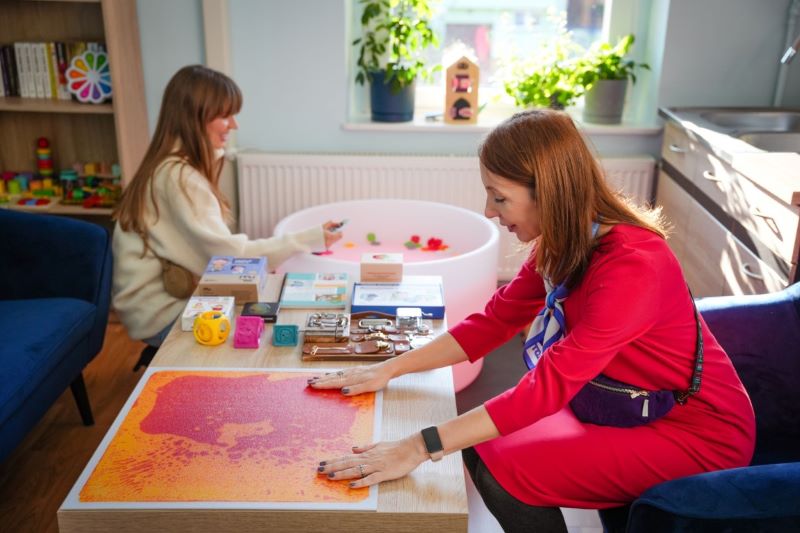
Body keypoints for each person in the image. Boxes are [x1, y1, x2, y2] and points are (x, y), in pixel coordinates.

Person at [308, 109, 755, 532]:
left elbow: (548, 387)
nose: (488, 210)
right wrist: (388, 368)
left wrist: (416, 446)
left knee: (500, 466)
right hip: (620, 406)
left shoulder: (633, 267)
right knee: (479, 448)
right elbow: (493, 321)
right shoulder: (565, 243)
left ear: (549, 192)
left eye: (499, 197)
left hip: (694, 432)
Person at [113, 65, 341, 347]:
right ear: (195, 118)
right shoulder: (179, 177)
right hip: (163, 314)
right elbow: (231, 260)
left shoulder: (171, 166)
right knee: (268, 326)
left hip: (156, 306)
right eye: (225, 116)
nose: (234, 125)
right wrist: (308, 239)